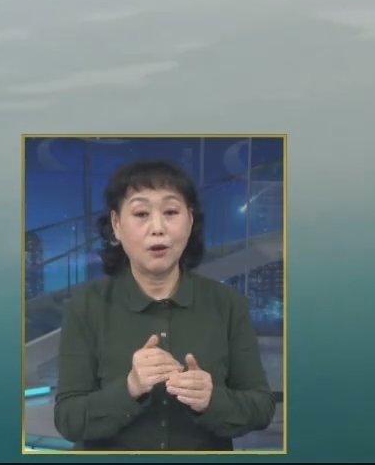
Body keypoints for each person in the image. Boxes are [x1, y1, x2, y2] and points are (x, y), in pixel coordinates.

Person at [52, 158, 277, 451]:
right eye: (141, 213)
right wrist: (130, 387)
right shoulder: (85, 306)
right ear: (116, 225)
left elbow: (261, 408)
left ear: (191, 220)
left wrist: (212, 400)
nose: (157, 228)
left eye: (171, 212)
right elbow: (68, 419)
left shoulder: (228, 304)